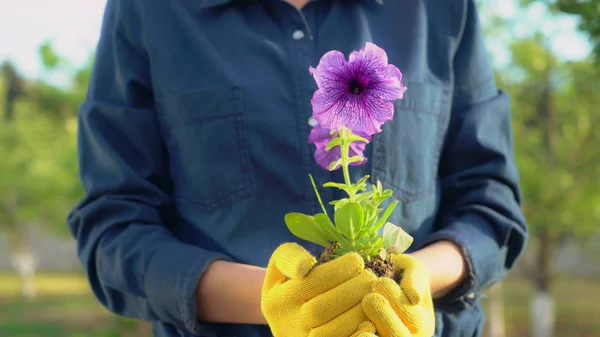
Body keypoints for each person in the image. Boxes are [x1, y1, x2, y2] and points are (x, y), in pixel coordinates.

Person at [67, 0, 528, 336]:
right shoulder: (150, 11)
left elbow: (491, 206)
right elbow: (113, 230)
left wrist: (413, 282)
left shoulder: (438, 10)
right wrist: (278, 300)